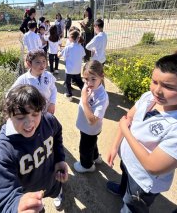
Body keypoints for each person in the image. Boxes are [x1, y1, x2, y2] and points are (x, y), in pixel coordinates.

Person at [106, 53, 177, 213]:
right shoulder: (148, 97)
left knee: (132, 206)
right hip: (129, 162)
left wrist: (125, 131)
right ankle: (123, 188)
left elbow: (152, 165)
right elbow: (129, 117)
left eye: (168, 87)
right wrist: (115, 145)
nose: (157, 90)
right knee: (125, 176)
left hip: (143, 180)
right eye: (154, 82)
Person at [0, 85, 68, 213]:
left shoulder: (47, 121)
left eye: (35, 114)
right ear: (8, 115)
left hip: (53, 181)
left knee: (56, 191)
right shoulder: (4, 150)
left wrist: (60, 159)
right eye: (21, 117)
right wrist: (17, 206)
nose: (29, 123)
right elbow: (2, 196)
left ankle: (58, 193)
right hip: (30, 200)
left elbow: (57, 133)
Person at [74, 60, 109, 173]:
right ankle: (95, 157)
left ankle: (87, 165)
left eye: (93, 79)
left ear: (102, 77)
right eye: (86, 79)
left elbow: (92, 121)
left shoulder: (102, 97)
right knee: (91, 144)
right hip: (87, 129)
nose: (89, 83)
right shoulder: (90, 87)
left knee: (85, 148)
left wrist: (84, 100)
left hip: (90, 129)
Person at [10, 50, 57, 114]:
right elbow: (10, 93)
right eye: (38, 62)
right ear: (29, 63)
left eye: (44, 61)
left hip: (47, 111)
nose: (42, 65)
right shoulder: (23, 79)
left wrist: (52, 103)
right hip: (32, 115)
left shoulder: (48, 75)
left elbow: (53, 89)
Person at [59, 30, 85, 102]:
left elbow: (62, 56)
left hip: (69, 69)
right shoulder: (80, 47)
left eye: (69, 36)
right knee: (79, 81)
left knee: (68, 82)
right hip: (77, 69)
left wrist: (59, 53)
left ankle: (69, 95)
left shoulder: (68, 47)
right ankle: (87, 92)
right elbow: (83, 55)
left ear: (71, 38)